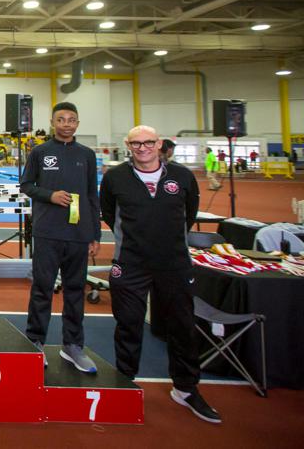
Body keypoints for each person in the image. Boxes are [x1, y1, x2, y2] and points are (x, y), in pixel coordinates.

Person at [100, 125, 220, 424]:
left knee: (182, 326)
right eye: (136, 143)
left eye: (149, 142)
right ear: (128, 145)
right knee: (128, 326)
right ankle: (125, 383)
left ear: (160, 144)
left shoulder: (181, 177)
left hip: (174, 264)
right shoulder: (115, 178)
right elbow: (107, 212)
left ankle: (186, 388)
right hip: (130, 263)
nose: (143, 148)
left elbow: (189, 214)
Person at [20, 101, 101, 374]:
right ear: (53, 122)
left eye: (71, 119)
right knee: (42, 289)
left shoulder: (87, 155)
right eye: (61, 119)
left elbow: (92, 196)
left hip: (78, 235)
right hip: (47, 233)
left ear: (77, 123)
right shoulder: (40, 153)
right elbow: (26, 185)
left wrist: (95, 234)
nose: (66, 124)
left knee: (76, 291)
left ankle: (73, 345)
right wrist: (50, 195)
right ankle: (35, 341)